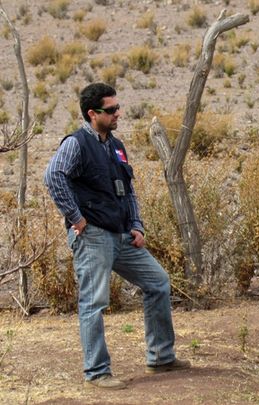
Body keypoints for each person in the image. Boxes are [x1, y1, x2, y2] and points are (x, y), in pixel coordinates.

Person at [44, 83, 190, 390]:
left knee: (158, 282)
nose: (117, 114)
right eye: (111, 110)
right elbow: (54, 176)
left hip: (123, 236)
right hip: (93, 235)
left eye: (117, 108)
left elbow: (128, 190)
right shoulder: (76, 143)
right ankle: (97, 372)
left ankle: (161, 357)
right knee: (94, 303)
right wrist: (76, 218)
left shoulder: (116, 145)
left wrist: (137, 226)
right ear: (92, 113)